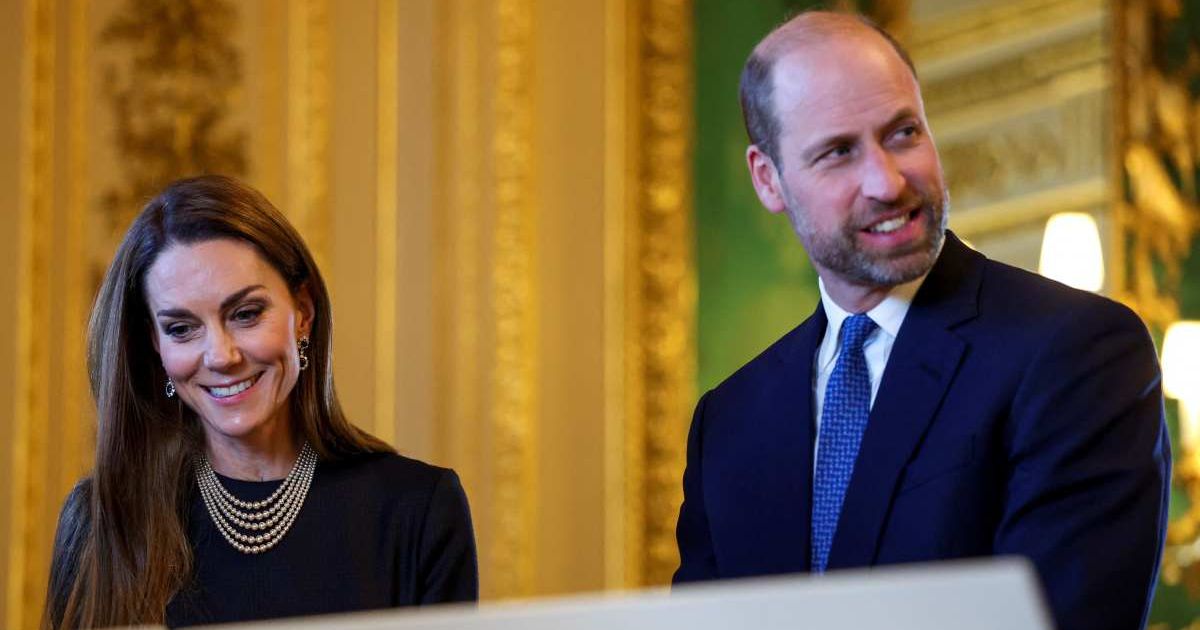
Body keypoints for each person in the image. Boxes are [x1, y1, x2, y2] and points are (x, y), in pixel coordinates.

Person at [672, 11, 1170, 630]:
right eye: (838, 152)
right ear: (769, 180)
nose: (886, 182)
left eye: (903, 133)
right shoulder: (728, 422)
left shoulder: (1079, 351)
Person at [44, 175, 478, 629]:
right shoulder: (100, 522)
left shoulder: (418, 509)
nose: (221, 356)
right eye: (181, 329)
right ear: (156, 345)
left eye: (246, 314)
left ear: (303, 312)